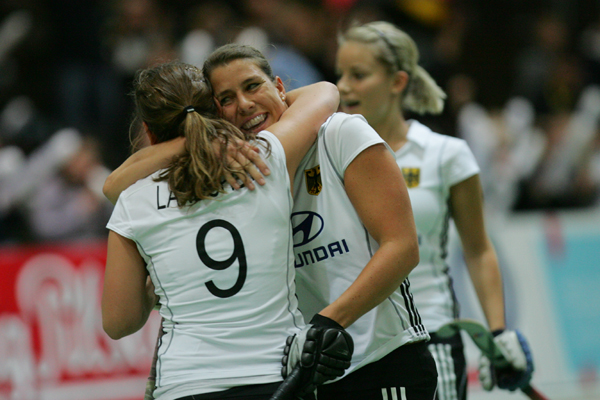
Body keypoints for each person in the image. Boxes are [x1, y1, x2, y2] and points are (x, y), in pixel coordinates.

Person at [104, 43, 438, 400]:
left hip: (377, 359)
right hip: (304, 373)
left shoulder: (338, 134)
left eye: (253, 86)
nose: (245, 104)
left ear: (280, 87)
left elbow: (402, 247)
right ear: (213, 115)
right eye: (226, 99)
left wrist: (329, 322)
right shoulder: (240, 169)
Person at [101, 61, 351, 400]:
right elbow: (326, 92)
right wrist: (205, 136)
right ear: (215, 112)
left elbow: (119, 323)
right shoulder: (263, 158)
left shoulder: (133, 199)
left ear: (148, 130)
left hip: (185, 384)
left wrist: (154, 288)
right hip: (275, 379)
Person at [335, 21, 535, 399]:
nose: (343, 86)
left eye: (358, 75)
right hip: (350, 347)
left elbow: (478, 250)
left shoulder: (446, 154)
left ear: (397, 82)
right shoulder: (328, 158)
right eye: (340, 74)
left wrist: (498, 332)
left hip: (429, 339)